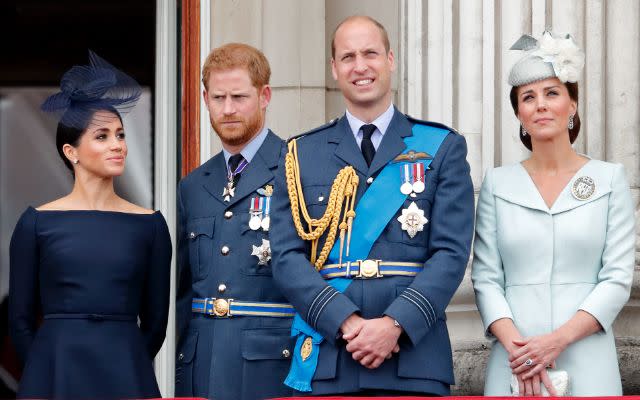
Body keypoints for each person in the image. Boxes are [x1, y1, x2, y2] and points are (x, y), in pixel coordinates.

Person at [270, 16, 474, 396]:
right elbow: (285, 257)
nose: (360, 66)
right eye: (347, 56)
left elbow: (450, 253)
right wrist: (346, 322)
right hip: (331, 355)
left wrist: (395, 324)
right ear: (333, 68)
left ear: (391, 59)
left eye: (370, 53)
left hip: (413, 357)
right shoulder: (301, 153)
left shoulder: (441, 146)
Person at [471, 32, 635, 396]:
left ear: (572, 104)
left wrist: (555, 342)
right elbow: (485, 278)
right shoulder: (497, 184)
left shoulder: (608, 179)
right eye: (528, 97)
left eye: (552, 93)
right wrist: (523, 351)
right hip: (514, 360)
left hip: (586, 354)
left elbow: (617, 278)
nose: (540, 105)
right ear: (519, 114)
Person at [8, 51, 172, 399]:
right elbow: (19, 320)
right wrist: (44, 367)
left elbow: (156, 323)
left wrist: (126, 360)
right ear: (72, 152)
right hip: (55, 371)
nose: (118, 146)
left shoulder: (151, 226)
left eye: (121, 135)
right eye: (102, 137)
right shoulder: (35, 223)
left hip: (126, 370)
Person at [175, 43, 294, 400]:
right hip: (202, 364)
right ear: (204, 98)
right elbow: (184, 293)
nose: (227, 109)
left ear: (264, 95)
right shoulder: (193, 185)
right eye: (218, 97)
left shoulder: (297, 168)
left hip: (270, 366)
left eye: (239, 97)